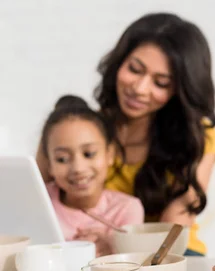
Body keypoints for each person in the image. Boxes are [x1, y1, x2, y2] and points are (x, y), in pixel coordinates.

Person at [38, 13, 215, 255]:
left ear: (180, 91)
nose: (140, 89)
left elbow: (172, 230)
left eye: (161, 83)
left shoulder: (195, 137)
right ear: (118, 63)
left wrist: (115, 244)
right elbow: (33, 199)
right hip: (83, 252)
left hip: (167, 253)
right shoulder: (78, 131)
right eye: (135, 69)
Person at [41, 95, 144, 256]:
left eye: (89, 154)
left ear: (110, 154)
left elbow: (133, 266)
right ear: (50, 166)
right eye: (62, 159)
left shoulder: (126, 209)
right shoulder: (39, 201)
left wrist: (113, 248)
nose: (78, 168)